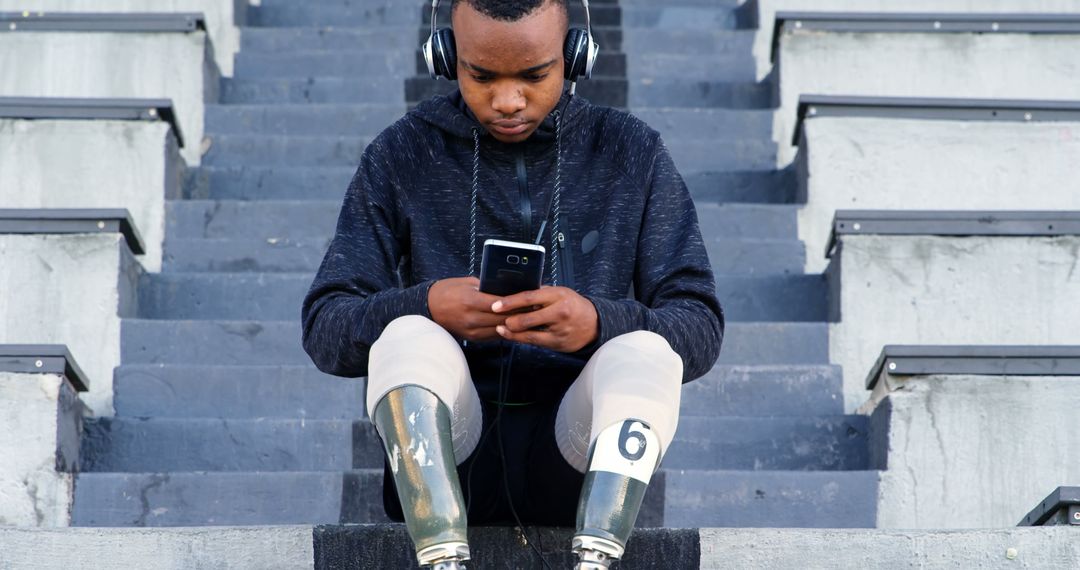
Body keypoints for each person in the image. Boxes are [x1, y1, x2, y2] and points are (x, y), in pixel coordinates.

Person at [301, 0, 724, 567]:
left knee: (647, 350)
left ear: (576, 55)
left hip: (575, 457)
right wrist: (426, 305)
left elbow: (699, 324)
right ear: (446, 56)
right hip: (453, 450)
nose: (507, 101)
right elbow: (326, 323)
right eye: (481, 75)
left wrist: (599, 324)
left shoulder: (632, 151)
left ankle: (598, 557)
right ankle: (441, 554)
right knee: (407, 335)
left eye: (533, 75)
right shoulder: (402, 153)